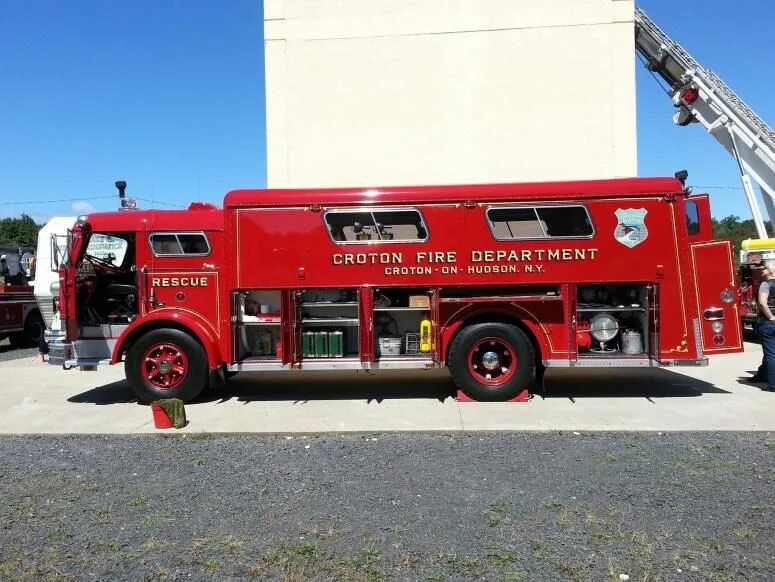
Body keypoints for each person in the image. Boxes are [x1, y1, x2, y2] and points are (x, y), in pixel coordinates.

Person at [754, 265, 775, 390]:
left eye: (765, 268)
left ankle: (773, 384)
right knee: (770, 351)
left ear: (770, 272)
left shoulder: (765, 285)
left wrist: (771, 317)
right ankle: (761, 375)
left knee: (771, 354)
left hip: (768, 322)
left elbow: (762, 303)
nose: (762, 270)